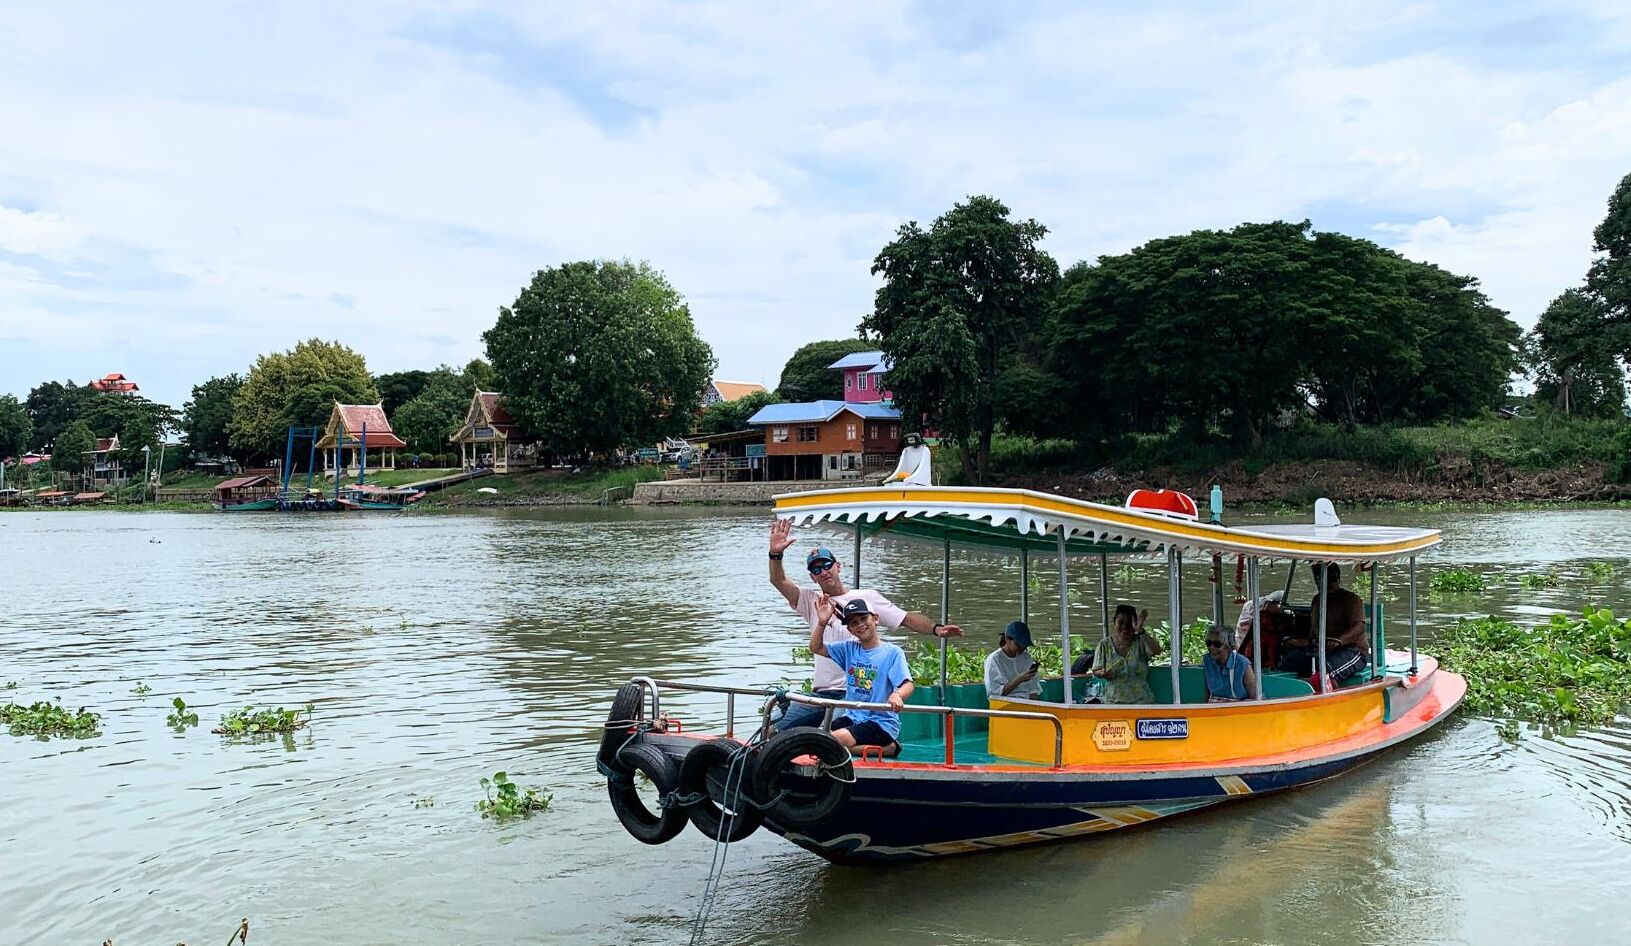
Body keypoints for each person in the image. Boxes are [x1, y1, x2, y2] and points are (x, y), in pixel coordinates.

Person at [769, 518, 963, 730]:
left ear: (838, 566)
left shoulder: (867, 598)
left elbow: (905, 618)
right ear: (812, 577)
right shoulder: (811, 600)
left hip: (854, 692)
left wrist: (936, 629)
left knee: (832, 734)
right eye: (816, 570)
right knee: (777, 730)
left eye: (827, 565)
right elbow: (779, 581)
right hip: (821, 692)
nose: (823, 572)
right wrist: (775, 554)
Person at [810, 597, 914, 755]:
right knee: (819, 737)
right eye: (854, 623)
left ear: (875, 619)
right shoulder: (848, 648)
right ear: (850, 630)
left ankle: (887, 748)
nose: (860, 625)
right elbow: (816, 647)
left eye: (864, 618)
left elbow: (907, 684)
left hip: (881, 723)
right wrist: (822, 623)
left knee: (835, 739)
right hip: (853, 717)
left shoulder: (893, 652)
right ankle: (887, 749)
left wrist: (897, 695)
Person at [1277, 562, 1367, 683]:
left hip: (1352, 651)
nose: (1322, 583)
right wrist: (1301, 641)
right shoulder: (1317, 600)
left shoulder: (1351, 600)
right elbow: (1314, 632)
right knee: (1288, 662)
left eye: (1329, 579)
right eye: (1318, 579)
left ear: (1337, 579)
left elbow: (1358, 627)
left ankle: (1323, 691)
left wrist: (1339, 641)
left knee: (1326, 671)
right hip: (1321, 649)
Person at [1088, 605, 1163, 703]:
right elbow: (1096, 670)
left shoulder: (1141, 642)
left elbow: (1157, 651)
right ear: (1114, 621)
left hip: (1142, 701)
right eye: (1121, 622)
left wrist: (1141, 630)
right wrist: (1102, 673)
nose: (1124, 626)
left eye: (1129, 623)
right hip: (1112, 701)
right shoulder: (1104, 645)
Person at [984, 620, 1041, 700]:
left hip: (1026, 703)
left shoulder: (1026, 657)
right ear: (1007, 639)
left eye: (1024, 646)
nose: (1021, 648)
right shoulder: (994, 659)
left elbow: (1033, 690)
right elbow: (994, 694)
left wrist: (1033, 705)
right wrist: (1019, 679)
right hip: (1004, 703)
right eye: (1018, 645)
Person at [1203, 627, 1258, 702]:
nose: (1211, 647)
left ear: (1228, 646)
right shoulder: (1207, 660)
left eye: (1217, 644)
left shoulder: (1242, 662)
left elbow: (1254, 696)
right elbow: (1207, 693)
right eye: (1208, 643)